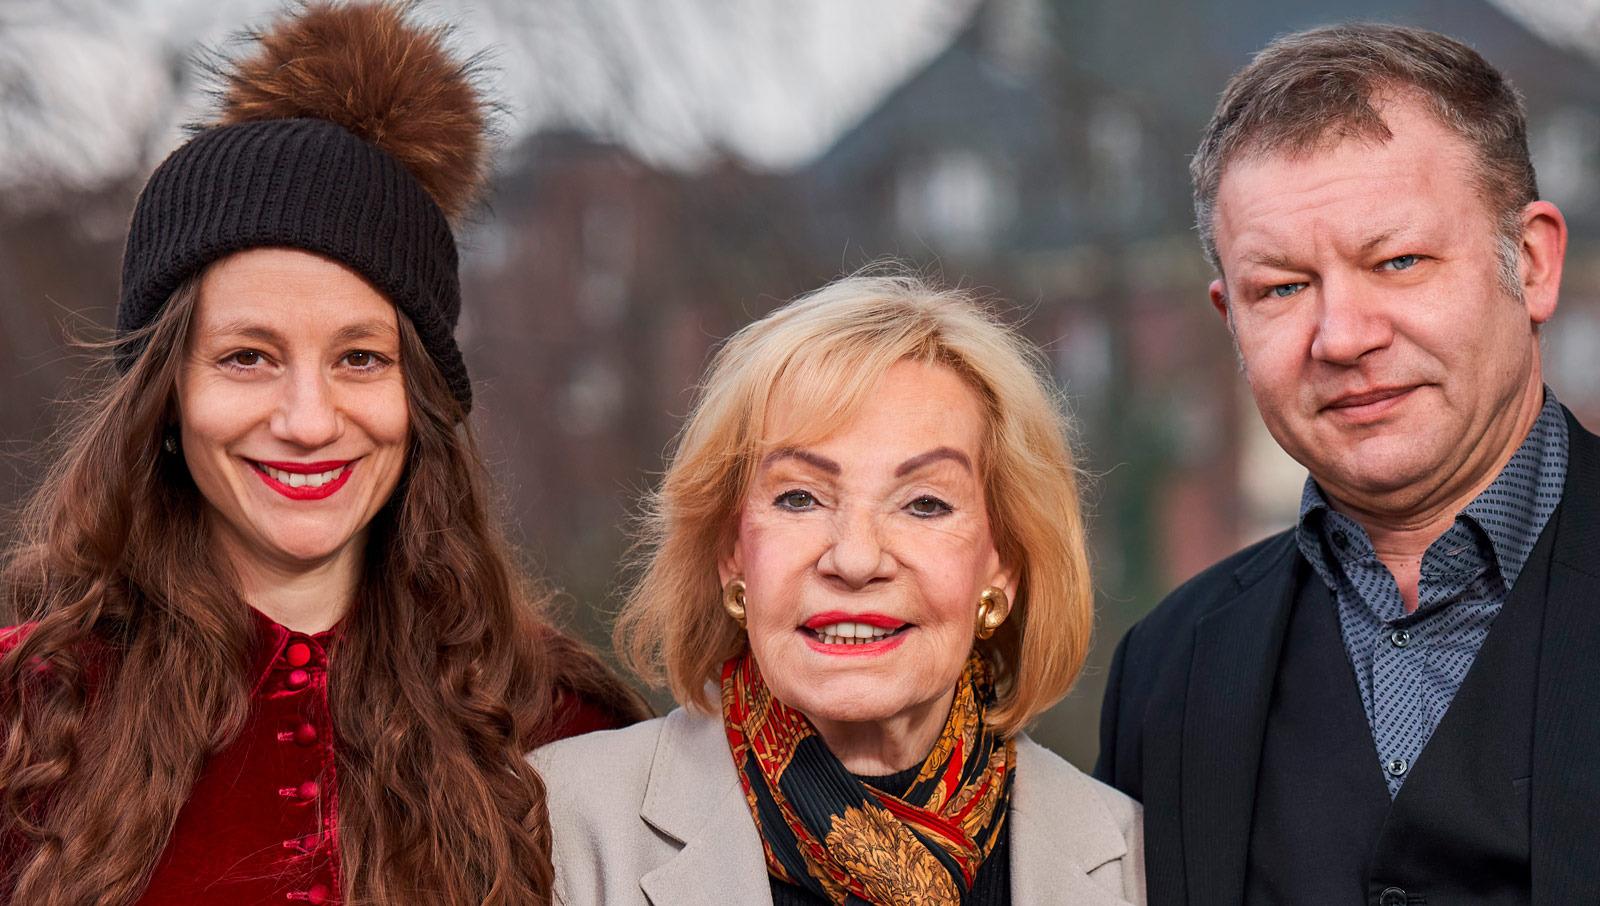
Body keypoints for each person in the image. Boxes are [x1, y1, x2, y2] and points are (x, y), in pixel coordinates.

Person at [0, 4, 644, 904]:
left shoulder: (564, 730)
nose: (308, 419)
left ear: (418, 400)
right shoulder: (25, 718)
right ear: (168, 397)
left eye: (359, 358)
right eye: (248, 357)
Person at [1094, 22, 1598, 906]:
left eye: (1398, 261)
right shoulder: (1165, 675)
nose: (1343, 337)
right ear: (1230, 322)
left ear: (1533, 262)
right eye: (1282, 287)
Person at [535, 274, 1145, 905]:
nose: (855, 560)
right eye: (799, 498)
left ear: (1003, 567)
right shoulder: (557, 827)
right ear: (731, 553)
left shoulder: (1139, 868)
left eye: (925, 504)